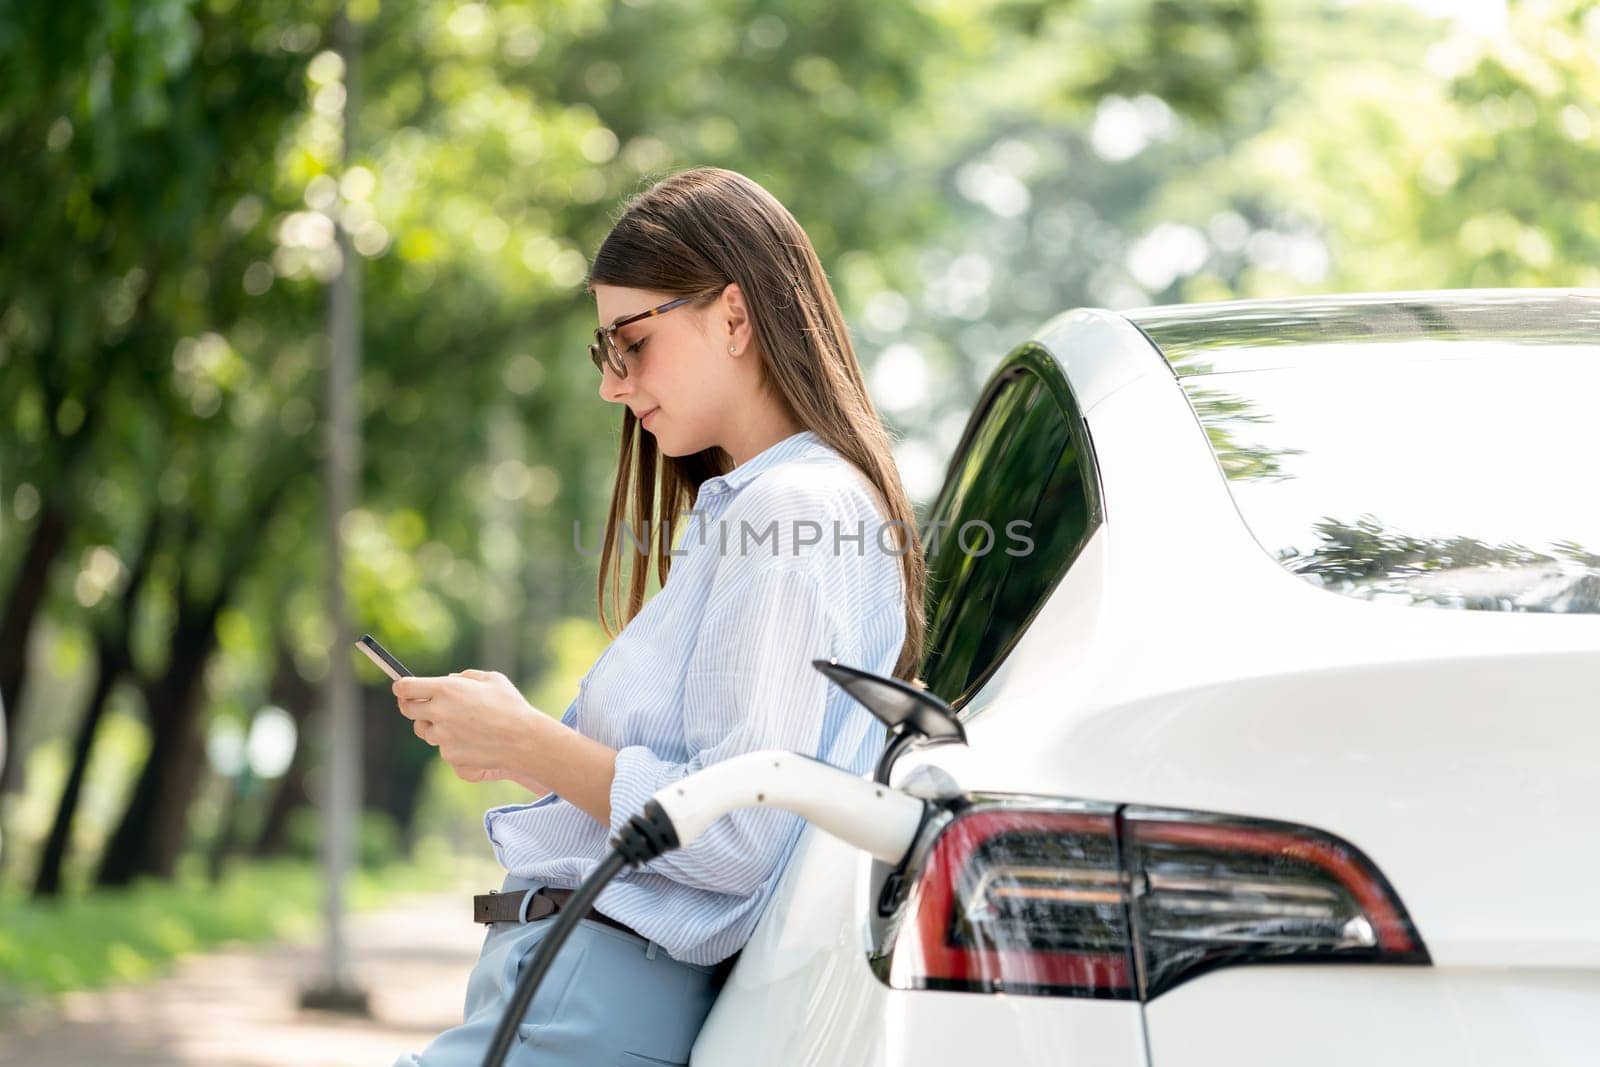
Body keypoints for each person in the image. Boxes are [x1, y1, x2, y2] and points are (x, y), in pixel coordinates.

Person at [389, 166, 928, 1066]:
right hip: (571, 986)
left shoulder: (786, 511)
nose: (613, 382)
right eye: (603, 351)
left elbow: (736, 829)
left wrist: (527, 740)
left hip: (594, 991)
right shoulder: (777, 505)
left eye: (630, 342)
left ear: (734, 316)